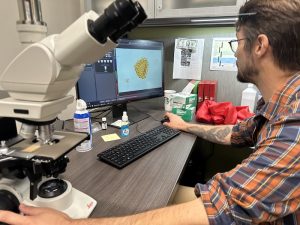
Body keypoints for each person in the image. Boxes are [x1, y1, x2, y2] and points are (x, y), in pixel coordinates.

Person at [0, 0, 299, 224]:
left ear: (260, 46)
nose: (235, 52)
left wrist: (73, 224)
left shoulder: (295, 125)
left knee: (140, 206)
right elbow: (239, 132)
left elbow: (220, 207)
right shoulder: (279, 102)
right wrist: (187, 125)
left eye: (239, 42)